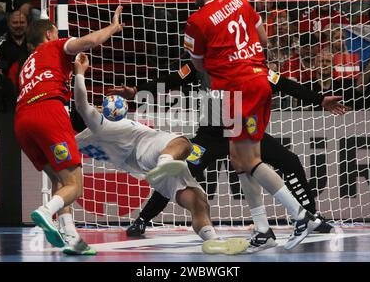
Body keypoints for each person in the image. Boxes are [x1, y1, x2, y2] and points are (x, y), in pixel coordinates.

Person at [110, 60, 345, 241]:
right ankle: (143, 219)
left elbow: (282, 83)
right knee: (179, 171)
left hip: (245, 133)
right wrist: (136, 91)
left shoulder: (250, 64)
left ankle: (311, 216)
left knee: (290, 161)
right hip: (210, 136)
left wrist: (319, 99)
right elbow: (171, 80)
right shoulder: (201, 63)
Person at [183, 0, 326, 251]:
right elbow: (262, 39)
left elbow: (198, 65)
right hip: (257, 82)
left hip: (238, 89)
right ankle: (262, 229)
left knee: (248, 161)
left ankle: (301, 216)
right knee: (240, 160)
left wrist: (222, 59)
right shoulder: (241, 2)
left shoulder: (197, 21)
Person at [73, 53, 250, 255]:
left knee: (197, 200)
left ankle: (213, 241)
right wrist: (79, 73)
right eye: (92, 107)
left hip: (144, 165)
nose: (96, 107)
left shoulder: (81, 141)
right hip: (146, 146)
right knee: (184, 143)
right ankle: (166, 160)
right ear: (85, 119)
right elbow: (80, 103)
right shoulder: (96, 124)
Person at [13, 6, 125, 256]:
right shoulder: (54, 46)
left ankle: (72, 238)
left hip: (22, 120)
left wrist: (77, 73)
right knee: (75, 185)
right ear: (50, 34)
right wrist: (114, 27)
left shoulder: (26, 65)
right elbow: (91, 41)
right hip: (48, 111)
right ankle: (45, 212)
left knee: (60, 180)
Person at [0, 10, 28, 76]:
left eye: (22, 22)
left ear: (27, 24)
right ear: (8, 24)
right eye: (15, 23)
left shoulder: (33, 40)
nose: (19, 25)